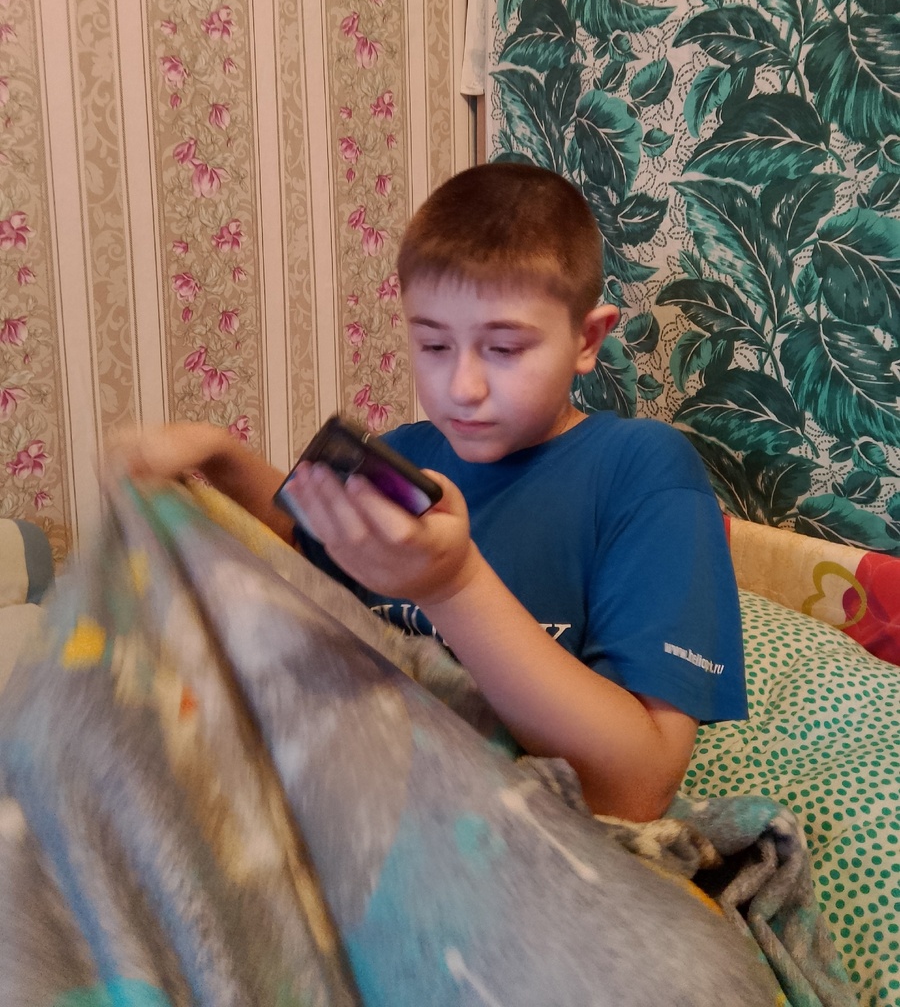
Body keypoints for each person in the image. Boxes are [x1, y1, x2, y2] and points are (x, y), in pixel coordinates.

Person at [119, 163, 746, 822]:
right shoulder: (408, 454)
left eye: (504, 348)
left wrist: (451, 585)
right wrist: (219, 456)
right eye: (434, 344)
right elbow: (302, 542)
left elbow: (637, 788)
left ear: (586, 339)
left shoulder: (643, 470)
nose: (461, 387)